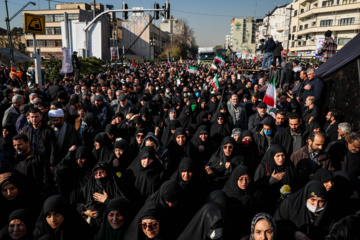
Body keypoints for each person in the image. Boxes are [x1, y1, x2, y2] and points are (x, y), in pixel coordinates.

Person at [76, 162, 125, 231]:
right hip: (91, 226)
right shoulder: (89, 187)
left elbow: (124, 206)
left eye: (101, 172)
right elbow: (77, 204)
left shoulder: (115, 186)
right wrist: (85, 212)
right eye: (95, 173)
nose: (98, 175)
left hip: (110, 225)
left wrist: (107, 200)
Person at [222, 165, 263, 238]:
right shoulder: (228, 195)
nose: (244, 182)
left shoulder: (254, 192)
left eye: (247, 179)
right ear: (235, 179)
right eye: (241, 179)